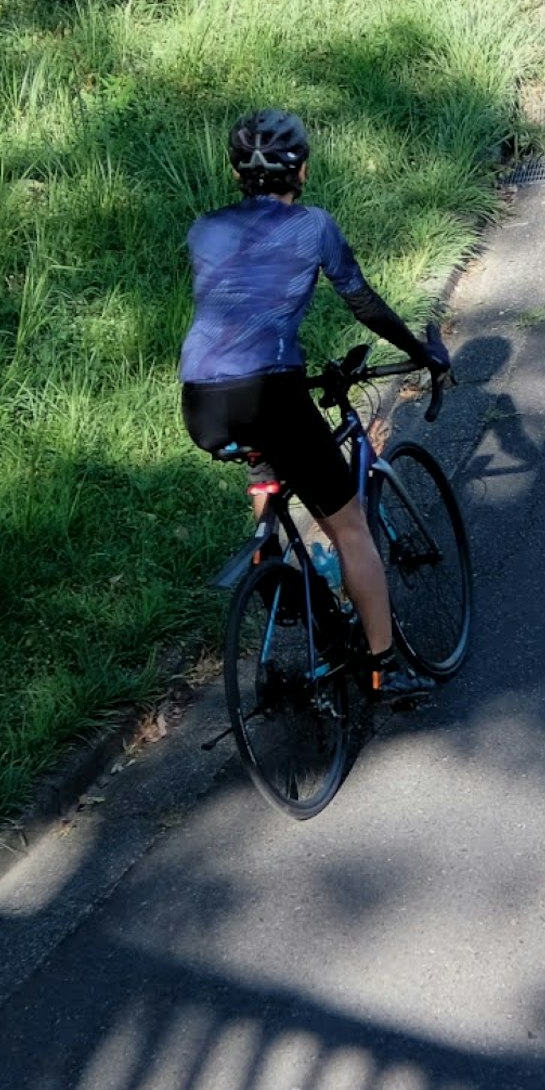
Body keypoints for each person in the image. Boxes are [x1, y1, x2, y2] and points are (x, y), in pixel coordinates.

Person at [182, 109, 450, 696]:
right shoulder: (314, 225)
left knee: (270, 463)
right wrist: (420, 353)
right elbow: (364, 303)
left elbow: (237, 308)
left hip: (201, 401)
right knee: (350, 524)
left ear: (236, 175)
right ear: (301, 170)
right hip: (269, 392)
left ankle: (276, 570)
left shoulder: (204, 230)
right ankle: (385, 667)